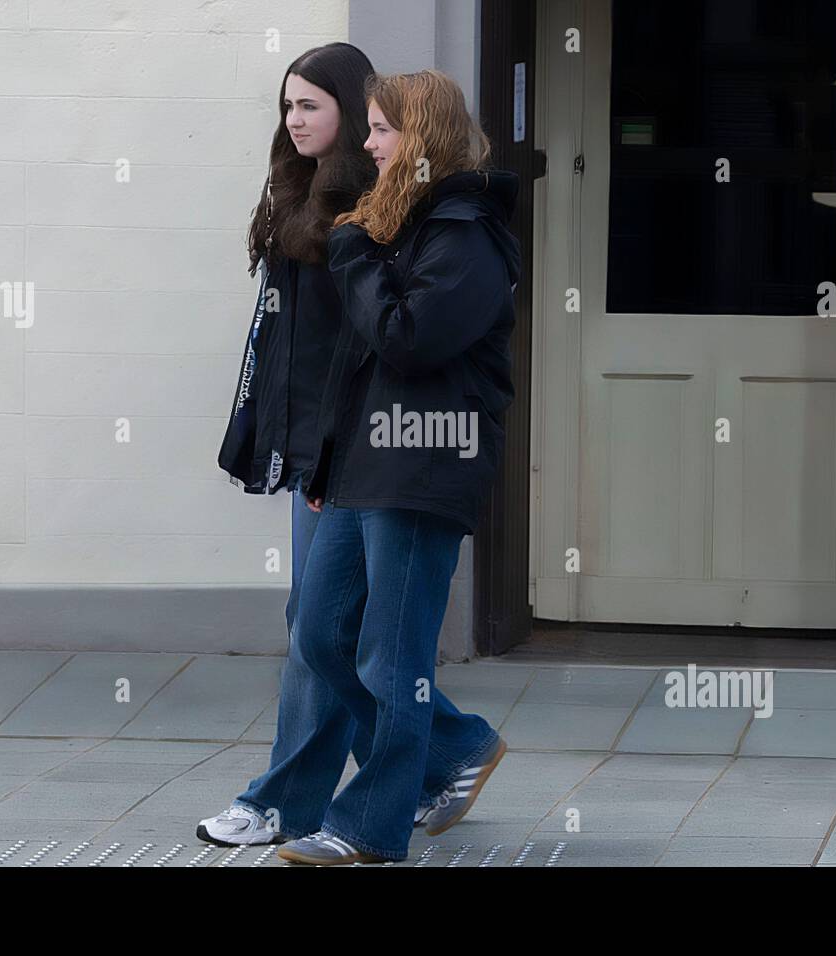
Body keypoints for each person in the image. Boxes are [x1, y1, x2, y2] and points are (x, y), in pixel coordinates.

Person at [200, 46, 469, 846]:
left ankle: (288, 799)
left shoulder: (368, 207)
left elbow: (364, 346)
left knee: (324, 628)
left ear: (352, 113)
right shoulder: (292, 193)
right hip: (311, 440)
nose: (294, 120)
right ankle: (453, 745)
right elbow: (283, 342)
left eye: (311, 106)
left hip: (352, 446)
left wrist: (326, 451)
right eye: (287, 106)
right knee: (320, 625)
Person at [275, 69, 519, 865]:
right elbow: (356, 361)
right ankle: (454, 747)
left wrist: (352, 255)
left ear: (420, 139)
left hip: (422, 465)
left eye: (382, 131)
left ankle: (368, 829)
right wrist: (324, 465)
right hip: (361, 466)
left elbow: (410, 340)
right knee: (320, 635)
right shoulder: (398, 222)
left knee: (390, 656)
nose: (369, 145)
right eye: (371, 129)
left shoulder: (465, 231)